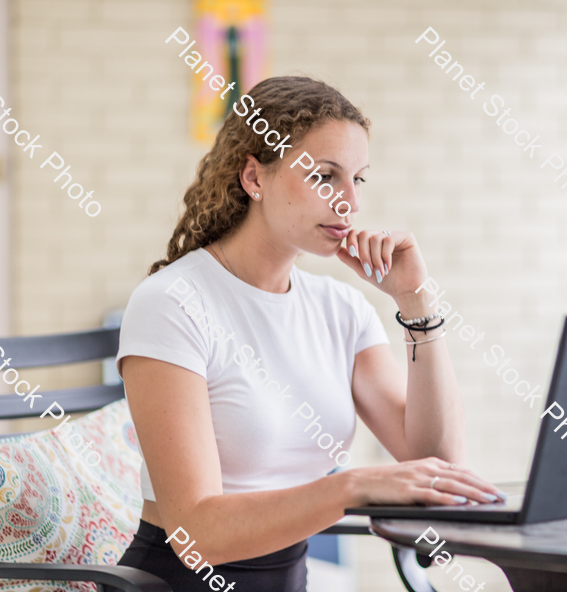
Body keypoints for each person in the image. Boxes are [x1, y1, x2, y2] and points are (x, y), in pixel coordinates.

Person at [116, 76, 504, 592]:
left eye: (358, 180)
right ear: (255, 177)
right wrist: (355, 487)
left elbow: (435, 465)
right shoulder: (172, 303)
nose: (350, 203)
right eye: (325, 176)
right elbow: (197, 535)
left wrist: (417, 304)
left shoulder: (341, 308)